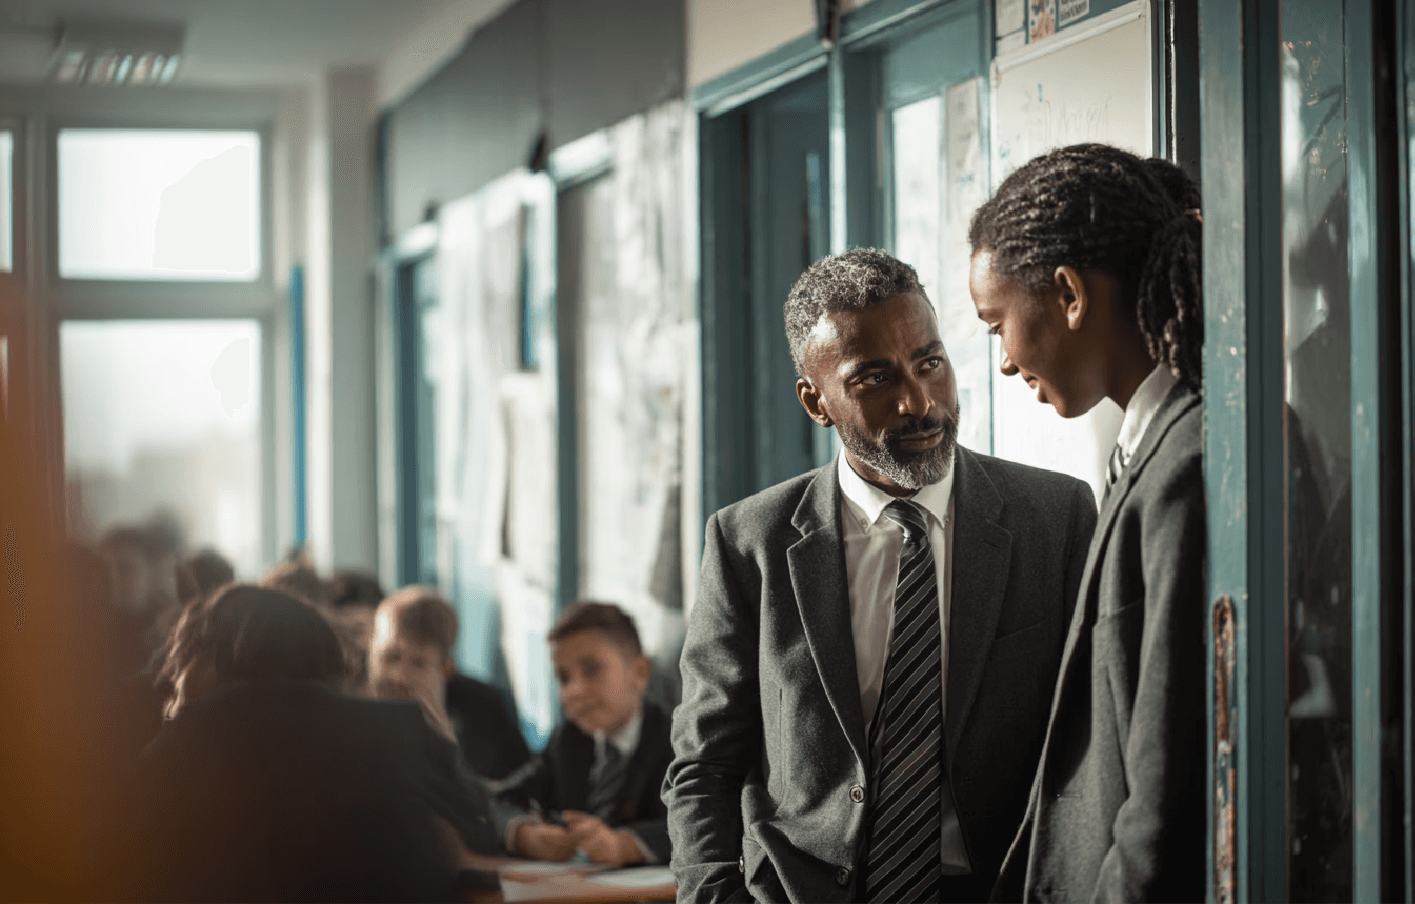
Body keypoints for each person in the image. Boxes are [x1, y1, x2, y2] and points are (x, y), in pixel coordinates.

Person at [665, 248, 1097, 903]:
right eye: (874, 379)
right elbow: (705, 759)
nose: (918, 402)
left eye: (929, 362)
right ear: (816, 401)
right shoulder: (748, 541)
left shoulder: (1055, 517)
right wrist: (709, 891)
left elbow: (1090, 737)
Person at [966, 142, 1205, 902]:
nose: (1002, 361)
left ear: (1068, 294)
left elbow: (1166, 776)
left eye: (995, 323)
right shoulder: (1149, 447)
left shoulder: (1185, 463)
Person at [122, 584, 499, 902]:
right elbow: (480, 821)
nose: (171, 685)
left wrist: (181, 718)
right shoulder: (396, 728)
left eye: (179, 665)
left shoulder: (196, 740)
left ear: (212, 659)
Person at [497, 601, 674, 866]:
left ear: (639, 672)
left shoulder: (678, 741)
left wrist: (626, 845)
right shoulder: (569, 739)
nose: (573, 691)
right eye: (564, 678)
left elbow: (707, 820)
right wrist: (525, 834)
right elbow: (500, 799)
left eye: (592, 669)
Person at [369, 586, 531, 780]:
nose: (399, 676)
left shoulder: (484, 711)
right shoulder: (348, 697)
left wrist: (439, 729)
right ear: (371, 651)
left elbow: (506, 793)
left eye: (418, 664)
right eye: (391, 657)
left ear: (446, 668)